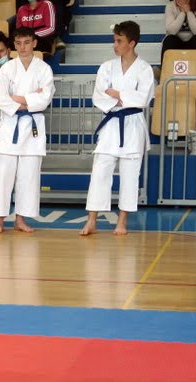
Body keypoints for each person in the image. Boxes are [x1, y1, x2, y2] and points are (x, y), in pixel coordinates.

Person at [82, 22, 154, 236]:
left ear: (132, 43)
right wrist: (124, 97)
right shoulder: (106, 67)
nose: (115, 45)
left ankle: (122, 222)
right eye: (114, 40)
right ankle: (91, 220)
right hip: (111, 123)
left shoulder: (144, 69)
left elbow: (143, 99)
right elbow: (99, 95)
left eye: (119, 41)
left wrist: (117, 94)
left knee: (130, 174)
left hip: (133, 124)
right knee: (99, 172)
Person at [0, 28, 54, 234]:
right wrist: (31, 99)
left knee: (29, 175)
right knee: (2, 174)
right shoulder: (7, 69)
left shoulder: (44, 69)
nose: (22, 47)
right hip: (9, 126)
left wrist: (18, 98)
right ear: (14, 45)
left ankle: (20, 220)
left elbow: (45, 99)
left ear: (34, 43)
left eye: (26, 42)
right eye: (18, 43)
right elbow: (1, 100)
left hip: (32, 127)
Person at [162, 0, 196, 70]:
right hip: (177, 42)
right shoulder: (170, 6)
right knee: (169, 40)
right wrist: (182, 13)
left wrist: (189, 12)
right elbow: (171, 31)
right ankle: (164, 69)